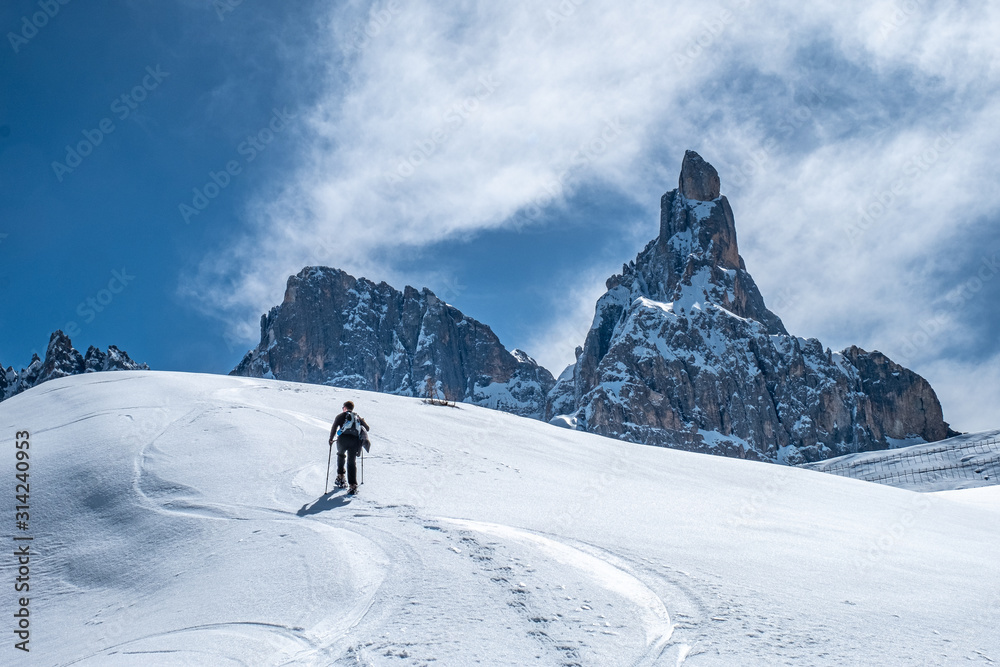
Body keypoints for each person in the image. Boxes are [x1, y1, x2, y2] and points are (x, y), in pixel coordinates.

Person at [329, 400, 369, 495]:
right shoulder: (357, 417)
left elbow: (334, 428)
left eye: (343, 407)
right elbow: (367, 428)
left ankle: (341, 476)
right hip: (354, 441)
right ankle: (353, 485)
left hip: (342, 440)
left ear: (345, 408)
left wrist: (331, 439)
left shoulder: (340, 416)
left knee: (341, 455)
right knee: (351, 462)